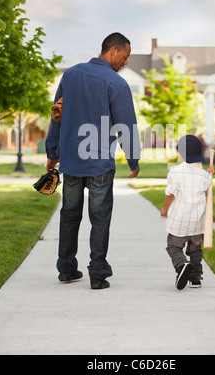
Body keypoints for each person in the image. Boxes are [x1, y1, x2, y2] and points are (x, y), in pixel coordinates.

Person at [45, 32, 141, 289]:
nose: (126, 61)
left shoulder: (71, 74)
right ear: (112, 51)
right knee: (100, 217)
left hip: (73, 162)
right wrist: (133, 159)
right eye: (125, 55)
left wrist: (52, 152)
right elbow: (126, 125)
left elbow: (57, 113)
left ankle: (66, 269)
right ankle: (97, 274)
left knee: (69, 214)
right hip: (99, 163)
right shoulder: (116, 83)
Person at [161, 135, 215, 290]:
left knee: (173, 247)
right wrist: (210, 173)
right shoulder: (205, 176)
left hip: (179, 221)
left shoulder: (175, 172)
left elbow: (170, 194)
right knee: (195, 250)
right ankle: (196, 279)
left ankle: (182, 265)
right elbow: (206, 182)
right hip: (198, 223)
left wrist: (164, 209)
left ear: (182, 154)